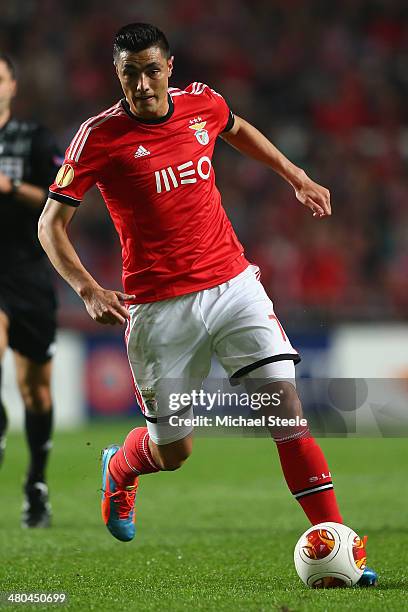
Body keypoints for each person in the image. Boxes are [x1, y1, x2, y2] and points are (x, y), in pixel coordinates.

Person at [39, 23, 376, 585]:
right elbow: (51, 223)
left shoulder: (203, 102)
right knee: (175, 452)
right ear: (117, 78)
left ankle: (340, 547)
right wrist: (88, 288)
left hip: (232, 285)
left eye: (151, 70)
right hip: (156, 308)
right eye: (130, 75)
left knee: (286, 414)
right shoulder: (98, 136)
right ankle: (121, 466)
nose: (142, 85)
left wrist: (296, 175)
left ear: (169, 66)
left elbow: (236, 128)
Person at [0, 54, 61, 527]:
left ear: (12, 85)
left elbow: (58, 196)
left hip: (31, 273)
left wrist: (10, 185)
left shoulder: (35, 139)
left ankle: (35, 482)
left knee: (35, 392)